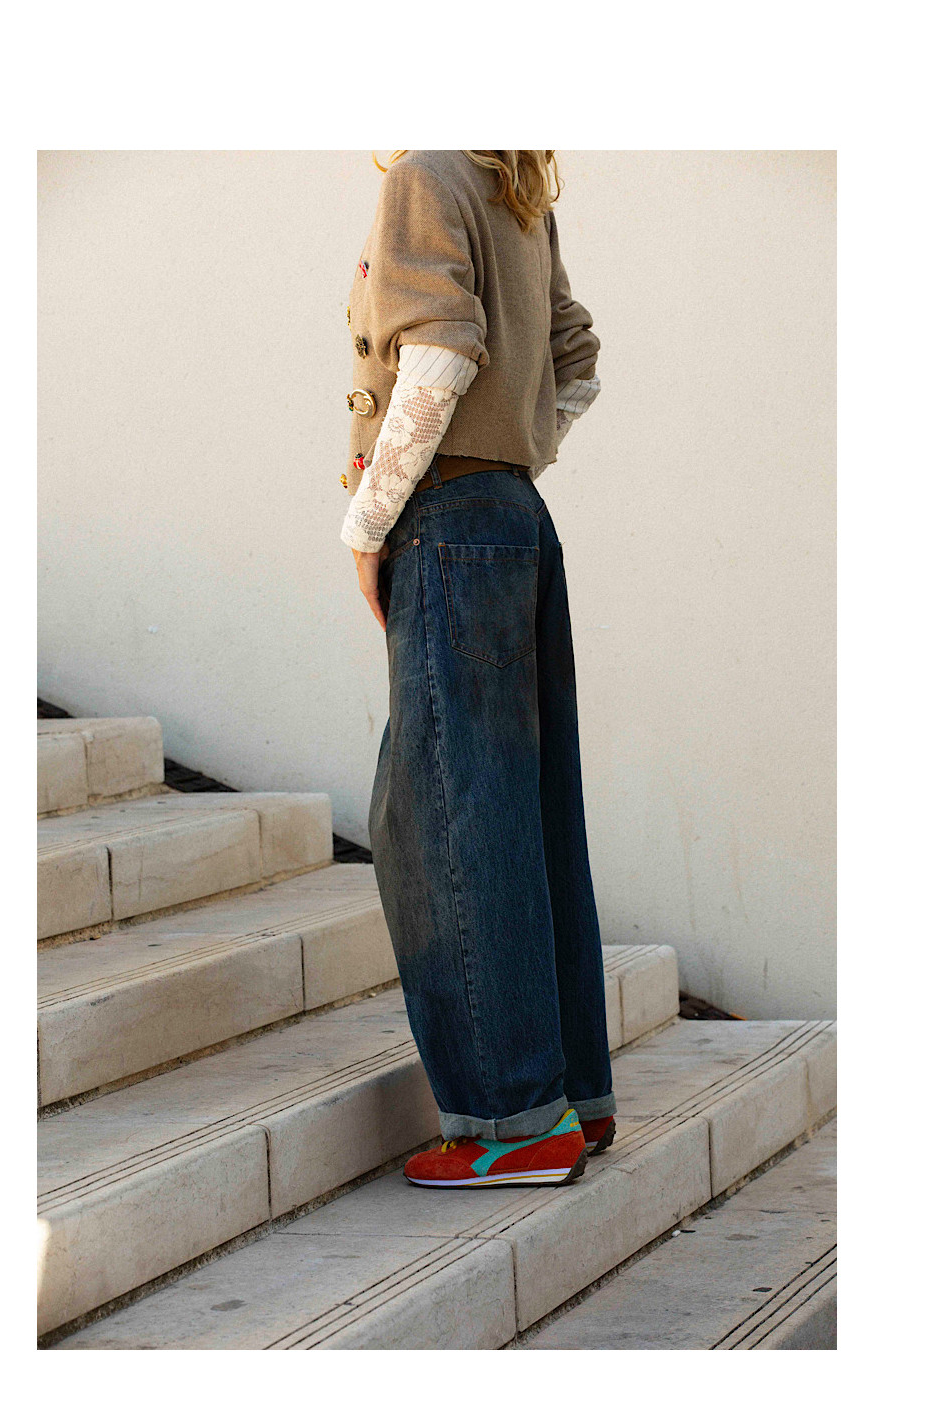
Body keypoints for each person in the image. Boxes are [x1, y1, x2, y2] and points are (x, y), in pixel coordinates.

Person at [340, 150, 615, 1188]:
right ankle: (567, 1098)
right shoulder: (513, 187)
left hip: (446, 519)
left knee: (444, 822)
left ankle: (512, 1118)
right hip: (513, 518)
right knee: (520, 813)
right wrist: (516, 449)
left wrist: (368, 520)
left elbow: (441, 352)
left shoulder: (427, 173)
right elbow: (575, 358)